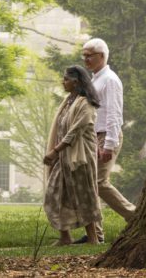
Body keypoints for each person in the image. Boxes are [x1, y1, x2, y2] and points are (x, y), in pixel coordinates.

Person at [77, 37, 136, 243]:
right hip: (95, 137)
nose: (86, 60)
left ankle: (134, 216)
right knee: (91, 184)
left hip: (106, 135)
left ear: (101, 56)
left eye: (89, 56)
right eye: (83, 56)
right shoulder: (95, 80)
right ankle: (96, 234)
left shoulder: (110, 80)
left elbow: (114, 114)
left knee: (99, 182)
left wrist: (109, 144)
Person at [43, 65, 103, 245]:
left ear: (76, 82)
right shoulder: (68, 102)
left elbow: (74, 132)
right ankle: (65, 236)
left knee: (84, 196)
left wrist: (54, 151)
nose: (63, 82)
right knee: (55, 193)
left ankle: (93, 238)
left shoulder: (86, 104)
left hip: (80, 158)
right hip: (64, 157)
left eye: (66, 79)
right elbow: (62, 128)